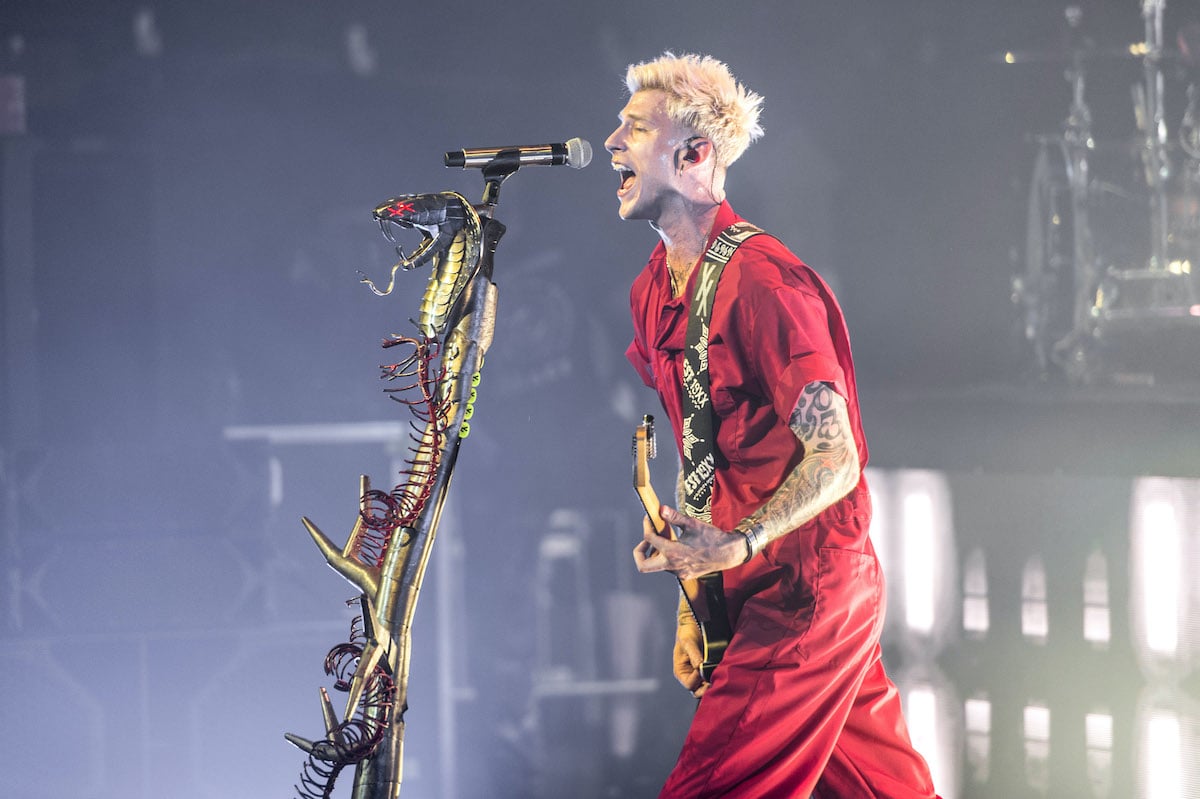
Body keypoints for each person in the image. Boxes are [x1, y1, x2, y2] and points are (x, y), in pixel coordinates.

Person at [605, 52, 940, 798]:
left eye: (635, 129)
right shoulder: (651, 291)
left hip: (807, 589)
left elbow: (836, 458)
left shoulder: (765, 283)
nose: (612, 143)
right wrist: (698, 599)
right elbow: (701, 453)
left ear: (694, 155)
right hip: (752, 586)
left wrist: (740, 544)